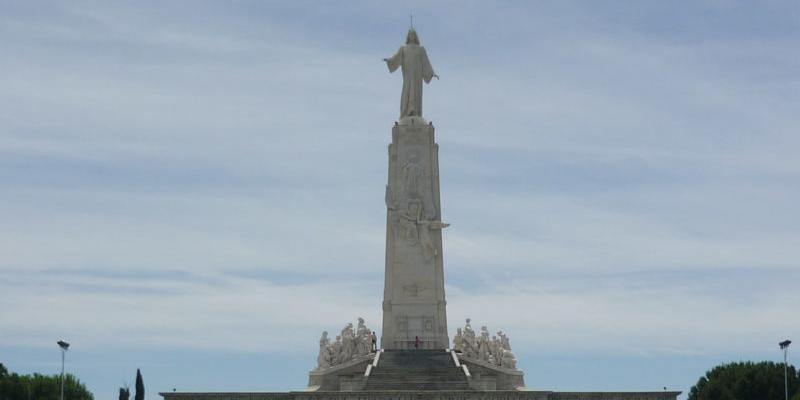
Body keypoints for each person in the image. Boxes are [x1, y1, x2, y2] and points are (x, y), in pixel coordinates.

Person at [383, 29, 439, 118]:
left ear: (415, 36)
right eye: (410, 34)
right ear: (408, 36)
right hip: (408, 74)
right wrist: (389, 60)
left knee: (416, 92)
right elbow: (396, 58)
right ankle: (406, 111)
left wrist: (431, 73)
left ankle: (415, 111)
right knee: (407, 91)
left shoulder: (420, 50)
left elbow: (426, 62)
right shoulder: (403, 49)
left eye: (413, 34)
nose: (411, 36)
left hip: (417, 75)